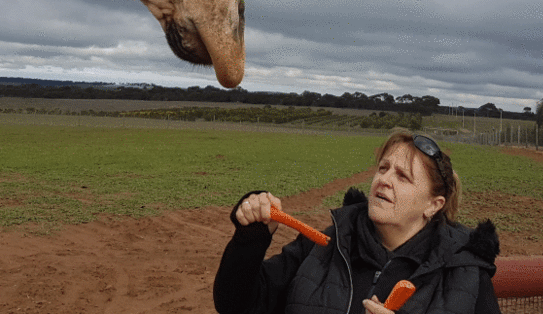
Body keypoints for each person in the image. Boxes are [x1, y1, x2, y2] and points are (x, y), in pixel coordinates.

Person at [213, 131, 501, 314]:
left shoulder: (465, 273)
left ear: (432, 205)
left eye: (402, 176)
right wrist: (252, 235)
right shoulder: (326, 245)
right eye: (383, 168)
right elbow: (236, 304)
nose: (384, 180)